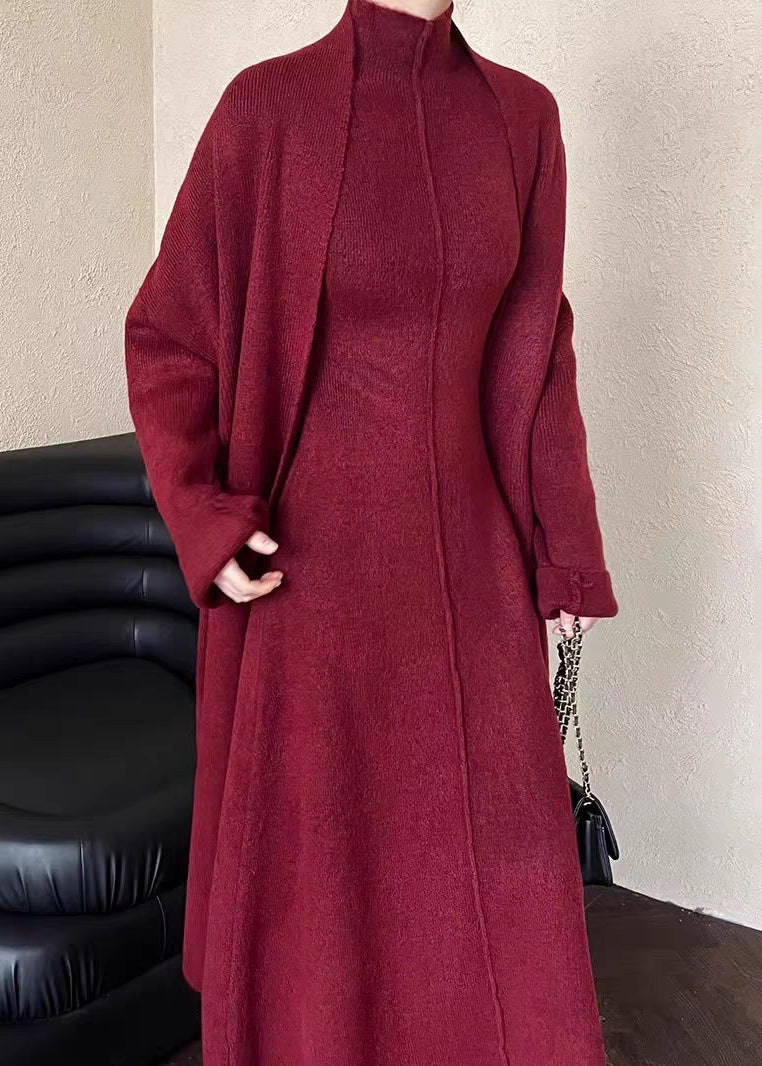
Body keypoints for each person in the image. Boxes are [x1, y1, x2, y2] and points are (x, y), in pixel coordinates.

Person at [124, 1, 619, 1063]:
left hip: (476, 580)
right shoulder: (268, 111)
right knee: (324, 903)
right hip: (311, 589)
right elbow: (168, 336)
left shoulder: (524, 120)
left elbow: (539, 354)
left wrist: (565, 551)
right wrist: (204, 518)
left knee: (500, 893)